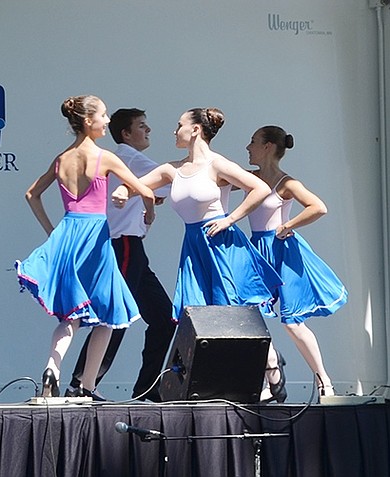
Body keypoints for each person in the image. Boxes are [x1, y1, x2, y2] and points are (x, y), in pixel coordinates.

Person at [117, 109, 282, 388]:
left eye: (179, 125)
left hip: (221, 243)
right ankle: (215, 381)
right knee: (199, 311)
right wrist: (125, 191)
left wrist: (230, 219)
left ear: (195, 130)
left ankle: (270, 367)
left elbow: (259, 188)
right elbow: (138, 185)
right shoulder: (173, 169)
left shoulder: (217, 164)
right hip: (195, 246)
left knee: (233, 308)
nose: (174, 130)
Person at [16, 95, 155, 399]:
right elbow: (145, 190)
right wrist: (150, 214)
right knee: (110, 312)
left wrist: (53, 232)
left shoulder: (61, 159)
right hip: (94, 235)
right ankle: (88, 385)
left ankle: (52, 367)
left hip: (68, 232)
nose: (107, 121)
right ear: (89, 121)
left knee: (72, 315)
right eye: (103, 116)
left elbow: (31, 195)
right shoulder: (105, 157)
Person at [64, 108, 176, 402]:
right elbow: (171, 180)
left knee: (164, 318)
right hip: (122, 244)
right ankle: (81, 384)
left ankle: (146, 389)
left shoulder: (131, 160)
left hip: (133, 247)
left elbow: (154, 190)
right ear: (126, 134)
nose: (148, 130)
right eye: (142, 125)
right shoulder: (131, 157)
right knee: (113, 315)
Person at [245, 125, 346, 401]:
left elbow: (318, 207)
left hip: (281, 250)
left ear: (267, 147)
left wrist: (288, 224)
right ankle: (268, 371)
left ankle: (323, 379)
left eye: (253, 142)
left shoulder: (286, 183)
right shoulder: (251, 178)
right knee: (250, 315)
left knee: (291, 321)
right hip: (258, 250)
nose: (248, 147)